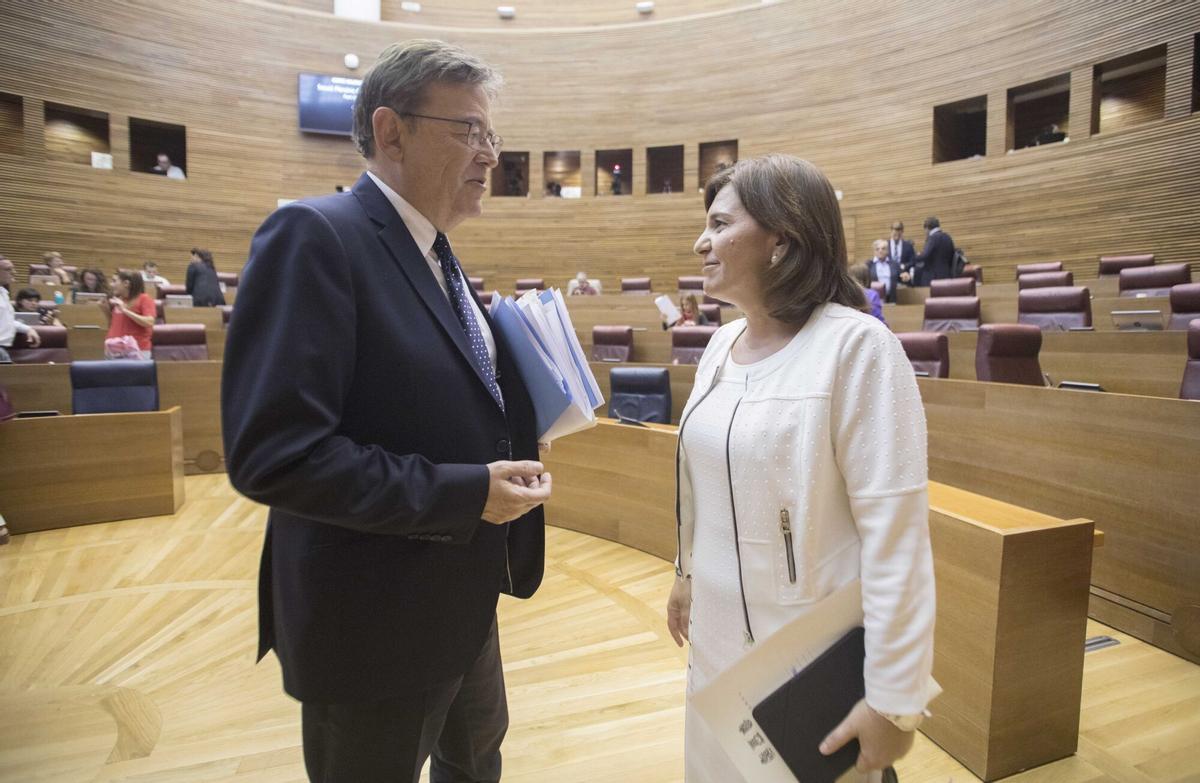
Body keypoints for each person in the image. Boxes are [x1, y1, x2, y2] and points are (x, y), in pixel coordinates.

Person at [221, 39, 550, 783]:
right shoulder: (316, 237)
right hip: (372, 622)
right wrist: (468, 493)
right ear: (391, 131)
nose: (490, 154)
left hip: (462, 599)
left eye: (491, 134)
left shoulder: (438, 256)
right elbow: (277, 454)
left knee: (475, 767)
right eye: (468, 130)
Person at [667, 154, 938, 782]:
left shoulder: (858, 348)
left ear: (781, 241)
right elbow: (702, 484)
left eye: (719, 225)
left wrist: (893, 703)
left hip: (807, 661)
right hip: (714, 651)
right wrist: (685, 572)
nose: (701, 243)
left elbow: (897, 540)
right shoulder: (718, 346)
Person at [102, 270, 156, 358]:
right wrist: (104, 309)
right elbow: (114, 324)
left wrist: (125, 310)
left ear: (126, 283)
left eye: (115, 281)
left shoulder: (144, 299)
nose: (111, 285)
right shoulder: (120, 300)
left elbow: (149, 322)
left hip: (136, 351)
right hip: (114, 349)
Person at [1, 255, 42, 362]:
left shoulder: (3, 293)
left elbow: (7, 321)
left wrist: (28, 329)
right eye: (8, 269)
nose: (14, 272)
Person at [911, 216, 955, 285]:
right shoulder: (947, 237)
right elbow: (952, 254)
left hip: (933, 276)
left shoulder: (932, 238)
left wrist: (915, 256)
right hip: (947, 274)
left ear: (927, 228)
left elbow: (925, 255)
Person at [867, 239, 902, 304]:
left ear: (887, 250)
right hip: (874, 300)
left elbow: (901, 278)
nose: (880, 251)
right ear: (874, 251)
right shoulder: (869, 265)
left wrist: (905, 277)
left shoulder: (894, 264)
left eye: (883, 248)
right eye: (877, 249)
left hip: (892, 299)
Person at [887, 222, 916, 286]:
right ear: (891, 231)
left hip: (904, 278)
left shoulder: (908, 246)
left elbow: (913, 261)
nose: (897, 236)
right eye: (895, 234)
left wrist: (904, 266)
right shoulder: (885, 245)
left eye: (899, 234)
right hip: (889, 278)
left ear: (902, 232)